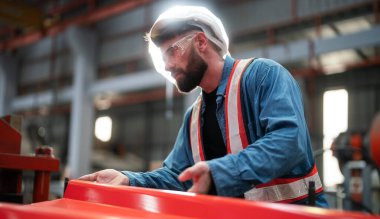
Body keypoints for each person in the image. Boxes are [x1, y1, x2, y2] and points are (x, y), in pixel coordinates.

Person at [79, 6, 328, 207]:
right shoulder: (194, 117)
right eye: (162, 57)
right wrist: (128, 179)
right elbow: (178, 176)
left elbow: (289, 140)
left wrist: (219, 172)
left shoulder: (264, 77)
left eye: (172, 51)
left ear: (200, 42)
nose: (166, 66)